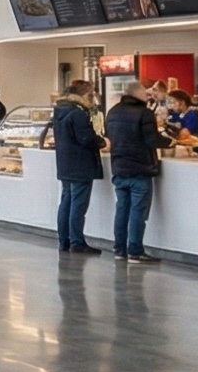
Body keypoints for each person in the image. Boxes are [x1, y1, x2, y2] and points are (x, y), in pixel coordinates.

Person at [105, 86, 163, 263]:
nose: (148, 95)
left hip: (119, 166)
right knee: (138, 211)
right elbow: (152, 140)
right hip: (140, 168)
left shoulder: (113, 112)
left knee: (121, 210)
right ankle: (135, 251)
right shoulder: (144, 113)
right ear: (136, 94)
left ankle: (119, 250)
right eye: (145, 93)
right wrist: (171, 141)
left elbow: (109, 137)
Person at [51, 81, 102, 253]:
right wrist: (102, 142)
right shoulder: (78, 113)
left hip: (65, 164)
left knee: (66, 201)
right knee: (78, 205)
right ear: (85, 95)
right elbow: (86, 138)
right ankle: (77, 241)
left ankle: (64, 240)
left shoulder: (59, 110)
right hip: (81, 165)